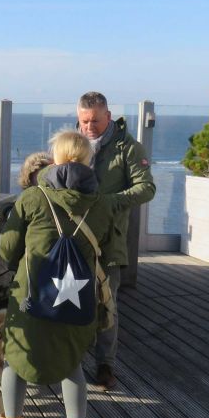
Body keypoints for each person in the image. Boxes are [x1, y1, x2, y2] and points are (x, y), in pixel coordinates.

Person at [0, 131, 113, 418]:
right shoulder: (101, 204)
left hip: (31, 300)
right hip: (77, 301)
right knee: (71, 364)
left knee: (16, 364)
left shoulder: (32, 198)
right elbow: (104, 244)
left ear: (55, 158)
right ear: (88, 160)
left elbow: (7, 249)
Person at [75, 91, 155, 391]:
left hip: (109, 241)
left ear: (108, 116)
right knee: (72, 299)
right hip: (74, 240)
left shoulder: (129, 149)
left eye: (95, 120)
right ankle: (70, 361)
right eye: (83, 121)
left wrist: (109, 202)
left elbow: (146, 188)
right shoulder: (73, 142)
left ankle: (105, 364)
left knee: (107, 305)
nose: (89, 127)